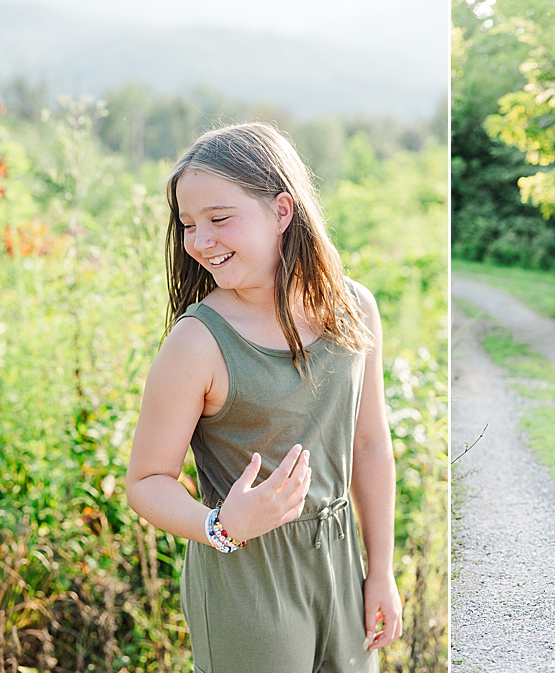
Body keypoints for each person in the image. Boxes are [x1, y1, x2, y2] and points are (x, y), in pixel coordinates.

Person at [125, 122, 402, 671]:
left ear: (281, 211)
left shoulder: (354, 308)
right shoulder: (196, 343)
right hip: (248, 580)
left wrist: (381, 570)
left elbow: (369, 445)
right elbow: (146, 481)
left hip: (342, 565)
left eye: (219, 219)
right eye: (187, 224)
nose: (200, 241)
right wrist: (219, 526)